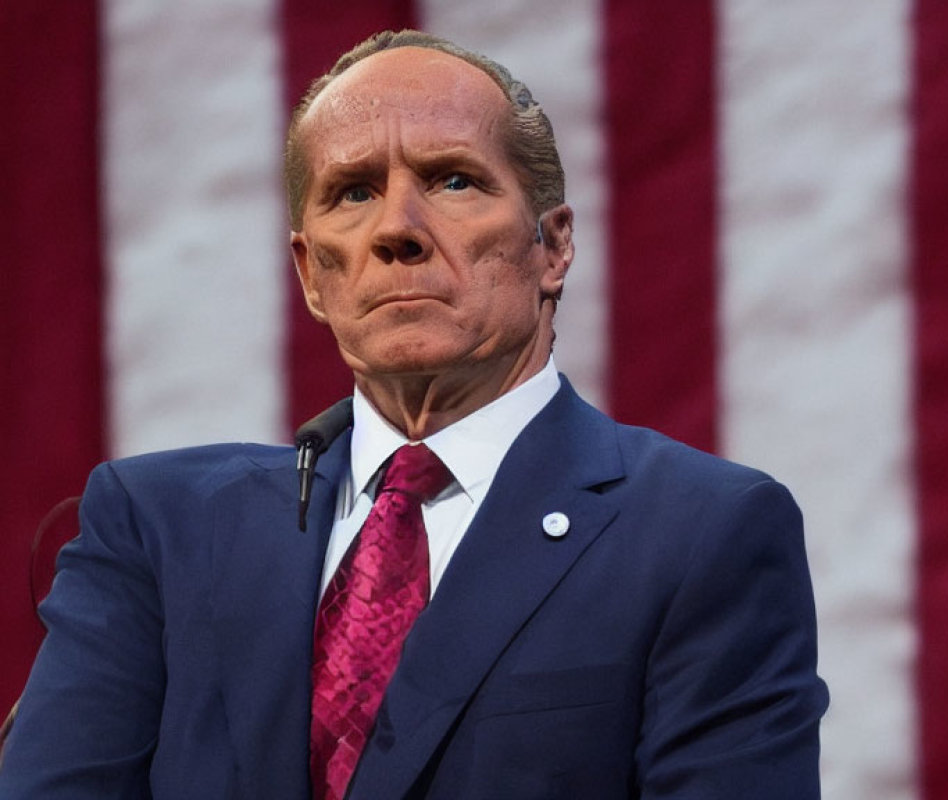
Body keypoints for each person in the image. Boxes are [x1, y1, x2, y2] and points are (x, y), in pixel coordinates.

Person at [0, 29, 828, 799]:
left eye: (452, 180)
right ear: (313, 275)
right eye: (353, 192)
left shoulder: (700, 534)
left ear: (555, 244)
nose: (397, 229)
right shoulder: (156, 527)